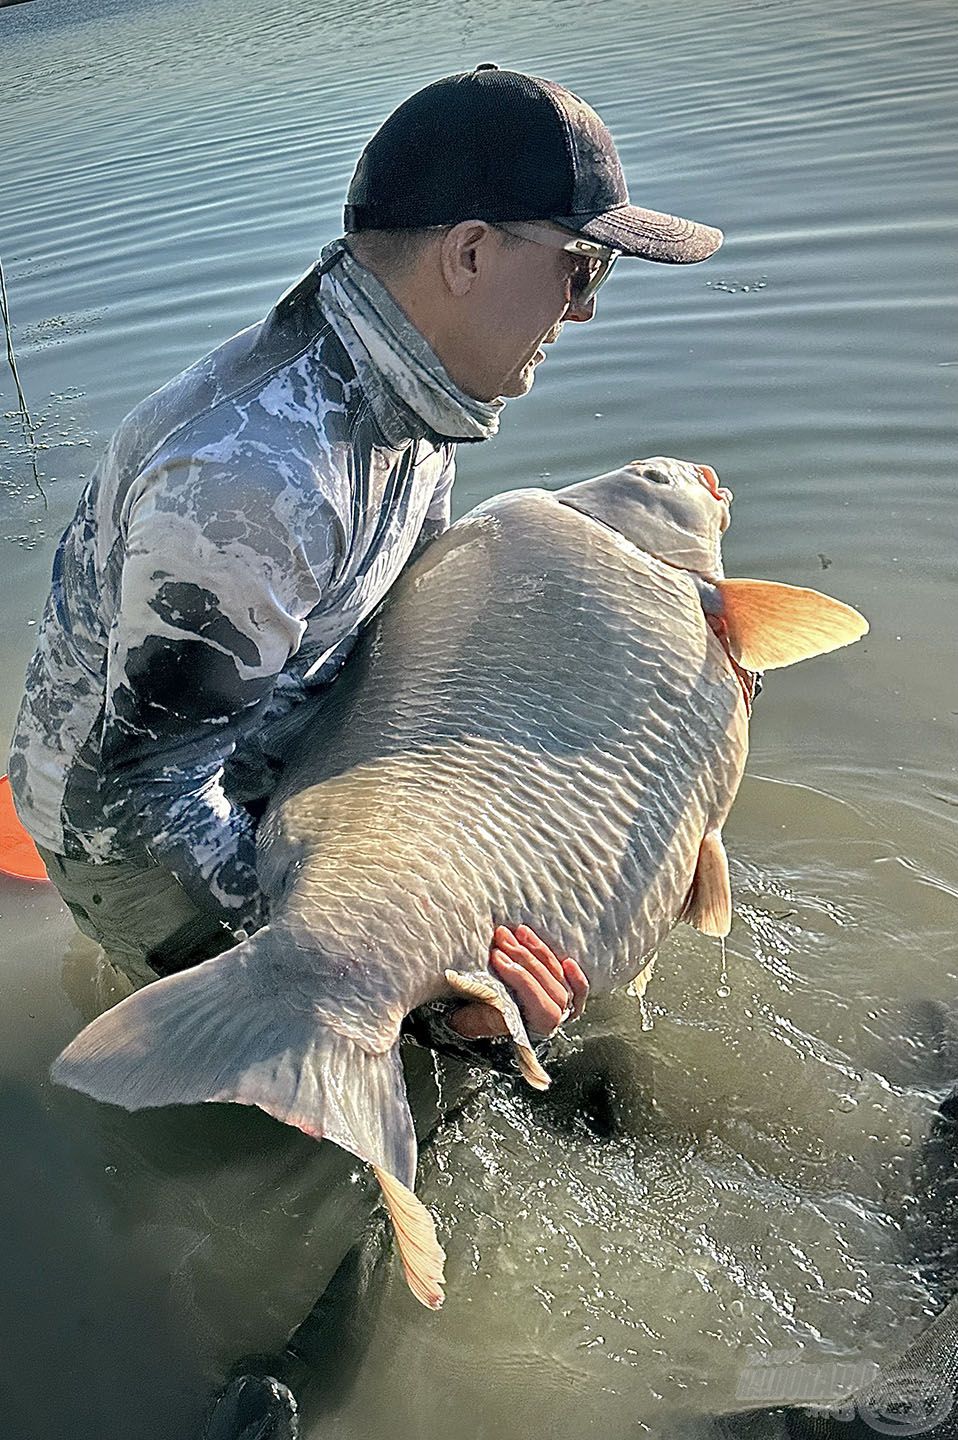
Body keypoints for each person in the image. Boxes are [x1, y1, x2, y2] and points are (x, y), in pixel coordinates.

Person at [9, 63, 722, 1054]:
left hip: (284, 777)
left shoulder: (412, 406)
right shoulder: (254, 480)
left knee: (533, 1035)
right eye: (579, 267)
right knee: (450, 1076)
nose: (584, 309)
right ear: (468, 253)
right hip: (151, 854)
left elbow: (398, 666)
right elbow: (143, 805)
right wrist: (410, 988)